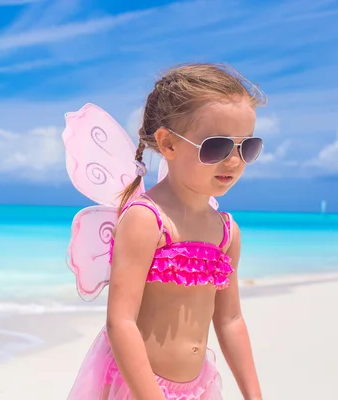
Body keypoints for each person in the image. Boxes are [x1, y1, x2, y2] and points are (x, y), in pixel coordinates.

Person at [66, 63, 266, 400]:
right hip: (137, 387)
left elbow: (230, 319)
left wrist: (254, 395)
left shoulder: (226, 232)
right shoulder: (147, 219)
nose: (233, 162)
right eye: (217, 147)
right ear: (168, 144)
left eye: (246, 147)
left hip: (198, 388)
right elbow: (121, 322)